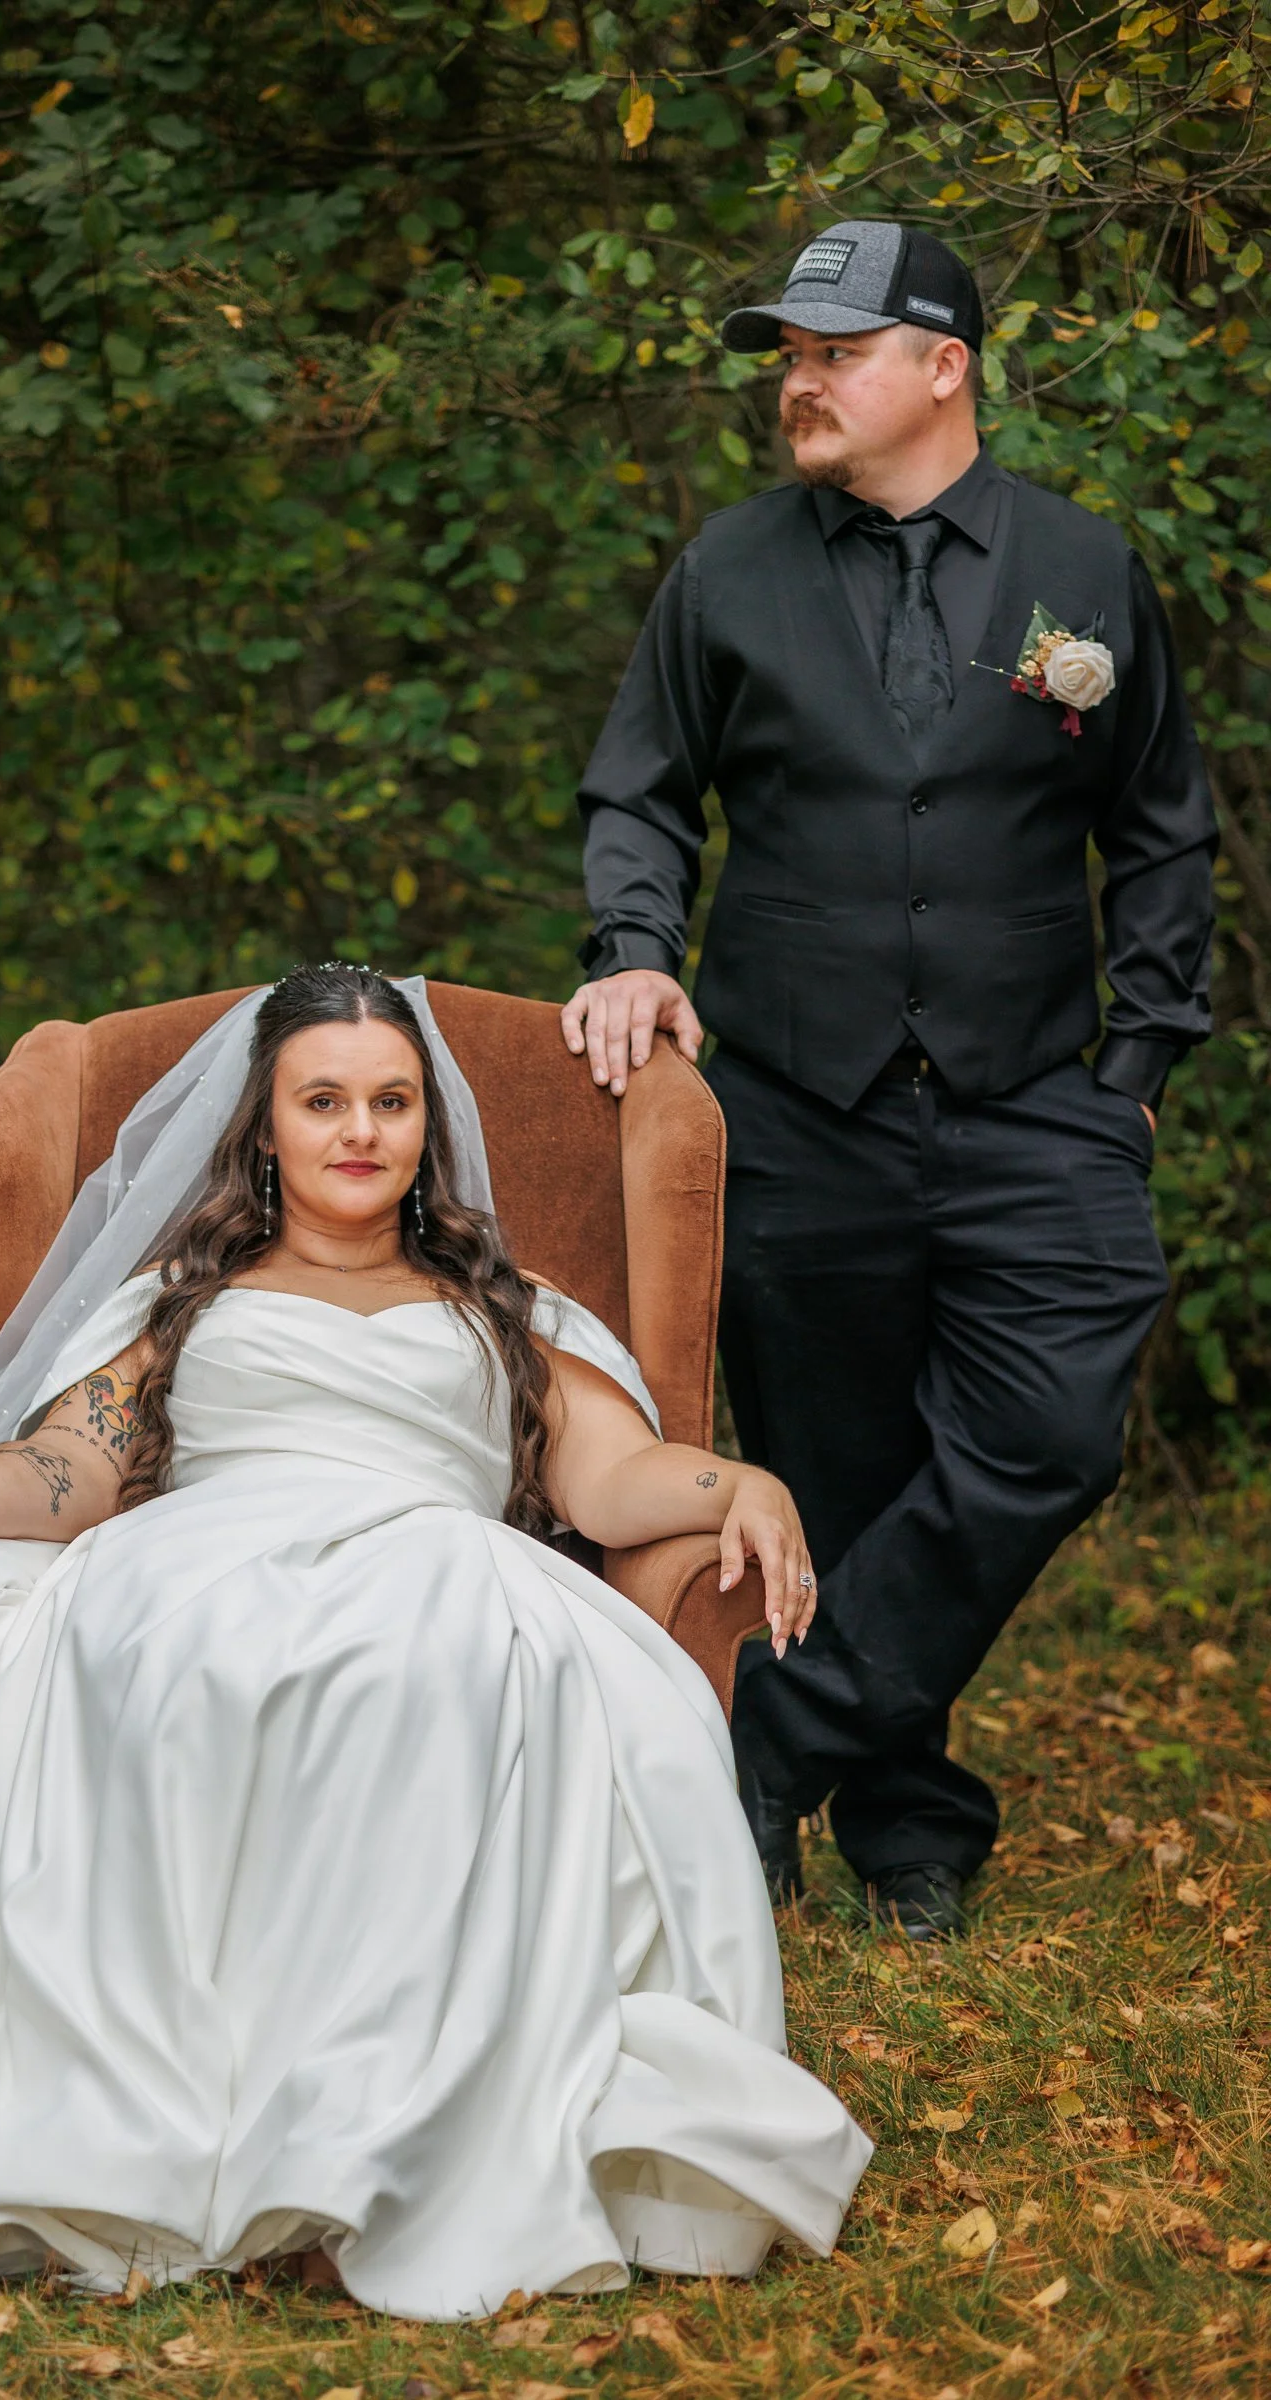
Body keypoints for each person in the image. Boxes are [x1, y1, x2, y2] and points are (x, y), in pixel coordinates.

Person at [0, 964, 870, 2392]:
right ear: (268, 1127)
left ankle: (374, 2134)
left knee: (431, 1666)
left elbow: (611, 1482)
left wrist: (742, 1484)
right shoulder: (186, 1301)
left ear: (428, 1124)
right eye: (324, 1102)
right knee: (164, 1657)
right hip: (194, 1560)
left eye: (390, 1102)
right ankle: (188, 2116)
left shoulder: (504, 1307)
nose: (359, 1131)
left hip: (436, 1561)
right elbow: (65, 1469)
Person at [562, 219, 1215, 1939]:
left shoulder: (1082, 568)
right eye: (789, 354)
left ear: (945, 367)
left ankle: (765, 1747)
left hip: (1037, 1097)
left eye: (835, 352)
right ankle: (907, 1829)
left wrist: (1140, 1063)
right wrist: (634, 948)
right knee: (836, 1472)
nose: (799, 381)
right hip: (796, 1098)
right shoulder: (728, 570)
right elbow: (639, 792)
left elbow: (1162, 832)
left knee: (1054, 1432)